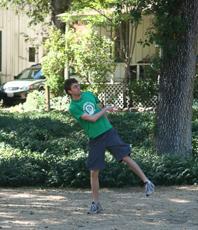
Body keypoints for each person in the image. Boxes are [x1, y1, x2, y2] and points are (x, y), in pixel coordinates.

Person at [64, 78, 155, 214]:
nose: (79, 88)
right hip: (95, 138)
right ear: (70, 91)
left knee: (125, 156)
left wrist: (109, 126)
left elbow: (100, 110)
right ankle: (96, 204)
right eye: (75, 87)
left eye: (78, 86)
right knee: (94, 171)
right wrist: (106, 108)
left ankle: (147, 182)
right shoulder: (73, 107)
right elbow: (93, 117)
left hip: (108, 132)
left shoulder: (89, 94)